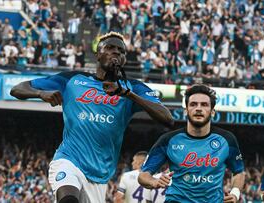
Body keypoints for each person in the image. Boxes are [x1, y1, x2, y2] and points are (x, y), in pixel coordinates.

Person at [10, 32, 174, 203]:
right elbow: (17, 88)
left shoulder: (133, 88)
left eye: (121, 50)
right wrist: (40, 93)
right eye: (110, 48)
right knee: (68, 199)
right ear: (97, 54)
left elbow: (167, 118)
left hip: (99, 175)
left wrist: (129, 95)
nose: (116, 52)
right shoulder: (72, 79)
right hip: (69, 160)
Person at [138, 84, 245, 203]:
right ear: (186, 111)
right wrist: (154, 181)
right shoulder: (168, 140)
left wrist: (235, 193)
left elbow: (239, 172)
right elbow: (143, 176)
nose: (198, 108)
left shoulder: (227, 140)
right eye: (193, 104)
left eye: (204, 105)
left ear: (212, 112)